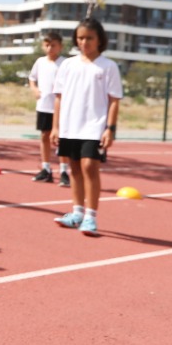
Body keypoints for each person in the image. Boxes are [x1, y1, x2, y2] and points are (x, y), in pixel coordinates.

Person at [50, 17, 122, 237]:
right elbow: (59, 97)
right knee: (74, 168)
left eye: (89, 38)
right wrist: (55, 127)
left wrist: (110, 128)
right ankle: (77, 213)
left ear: (99, 39)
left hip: (94, 127)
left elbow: (114, 100)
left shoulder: (108, 66)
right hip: (70, 126)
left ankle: (91, 216)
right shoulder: (67, 64)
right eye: (80, 38)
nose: (84, 42)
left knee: (89, 166)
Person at [27, 30, 71, 185]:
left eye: (53, 45)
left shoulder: (66, 63)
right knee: (44, 136)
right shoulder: (40, 62)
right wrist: (34, 89)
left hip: (61, 108)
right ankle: (46, 169)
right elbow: (32, 78)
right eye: (47, 45)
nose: (50, 48)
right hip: (44, 106)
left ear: (60, 46)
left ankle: (64, 171)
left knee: (62, 139)